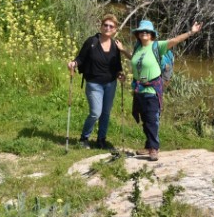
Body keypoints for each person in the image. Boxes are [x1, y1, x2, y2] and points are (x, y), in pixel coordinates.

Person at [130, 19, 202, 161]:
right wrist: (122, 50)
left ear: (151, 34)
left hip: (152, 90)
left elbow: (175, 40)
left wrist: (191, 32)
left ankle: (154, 148)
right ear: (138, 34)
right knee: (145, 119)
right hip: (139, 90)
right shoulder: (137, 48)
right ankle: (148, 145)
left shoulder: (158, 46)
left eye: (147, 31)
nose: (144, 33)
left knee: (152, 119)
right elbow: (135, 61)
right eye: (141, 31)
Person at [68, 14, 127, 149]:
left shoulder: (115, 45)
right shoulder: (92, 41)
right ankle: (84, 138)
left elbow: (117, 64)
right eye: (105, 25)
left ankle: (101, 140)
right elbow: (81, 57)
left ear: (115, 30)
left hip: (110, 83)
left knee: (106, 113)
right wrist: (74, 63)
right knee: (95, 112)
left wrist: (120, 74)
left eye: (111, 26)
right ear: (101, 27)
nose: (107, 28)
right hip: (94, 83)